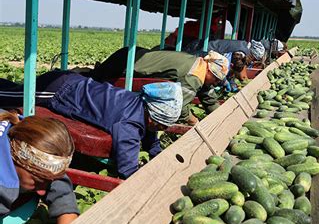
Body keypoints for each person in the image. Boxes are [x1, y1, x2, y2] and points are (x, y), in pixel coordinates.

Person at [0, 71, 183, 179]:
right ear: (152, 116)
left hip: (73, 83)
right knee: (9, 97)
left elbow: (151, 138)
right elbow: (127, 169)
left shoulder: (142, 106)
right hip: (59, 90)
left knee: (13, 91)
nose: (160, 130)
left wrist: (159, 157)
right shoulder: (129, 124)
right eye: (160, 125)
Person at [0, 111, 79, 224]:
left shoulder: (21, 132)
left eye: (48, 181)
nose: (42, 193)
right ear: (17, 161)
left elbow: (55, 177)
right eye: (37, 182)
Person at [91, 49, 229, 125]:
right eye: (216, 79)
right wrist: (195, 121)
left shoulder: (200, 64)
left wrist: (223, 118)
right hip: (125, 63)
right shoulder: (195, 76)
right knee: (93, 85)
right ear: (209, 71)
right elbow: (180, 107)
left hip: (130, 54)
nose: (216, 82)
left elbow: (208, 97)